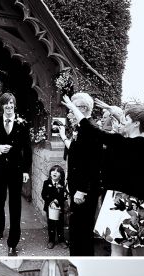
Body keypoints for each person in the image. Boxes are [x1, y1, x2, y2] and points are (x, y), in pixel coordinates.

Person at [62, 96, 144, 256]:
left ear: (136, 123)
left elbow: (91, 129)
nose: (123, 121)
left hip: (124, 202)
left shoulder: (124, 143)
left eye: (126, 119)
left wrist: (73, 107)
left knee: (117, 249)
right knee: (140, 248)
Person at [0, 92, 33, 257]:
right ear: (2, 106)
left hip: (16, 170)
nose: (9, 106)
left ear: (14, 105)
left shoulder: (22, 123)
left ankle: (13, 242)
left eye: (11, 103)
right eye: (6, 104)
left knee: (15, 205)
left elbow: (28, 150)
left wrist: (26, 170)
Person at [58, 92, 102, 256]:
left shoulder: (90, 130)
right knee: (76, 232)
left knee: (82, 233)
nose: (68, 114)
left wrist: (82, 189)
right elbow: (78, 155)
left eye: (70, 110)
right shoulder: (81, 128)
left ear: (82, 109)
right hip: (77, 187)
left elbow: (92, 163)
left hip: (84, 191)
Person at [40, 164, 68, 250]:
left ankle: (61, 240)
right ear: (50, 173)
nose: (54, 173)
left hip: (60, 208)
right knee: (51, 224)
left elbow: (65, 195)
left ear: (61, 175)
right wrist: (51, 201)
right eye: (53, 171)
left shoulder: (63, 184)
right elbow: (43, 195)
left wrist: (59, 201)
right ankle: (51, 240)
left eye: (57, 171)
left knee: (60, 224)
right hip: (50, 208)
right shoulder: (46, 183)